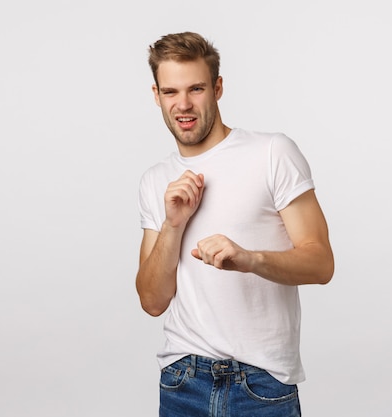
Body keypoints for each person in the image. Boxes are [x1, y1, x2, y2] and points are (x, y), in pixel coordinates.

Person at [136, 31, 334, 417]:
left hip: (261, 383)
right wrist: (173, 225)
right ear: (156, 95)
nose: (184, 104)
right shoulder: (154, 180)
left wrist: (249, 259)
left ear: (218, 88)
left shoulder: (272, 153)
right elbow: (152, 300)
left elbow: (321, 262)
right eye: (171, 92)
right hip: (183, 380)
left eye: (196, 88)